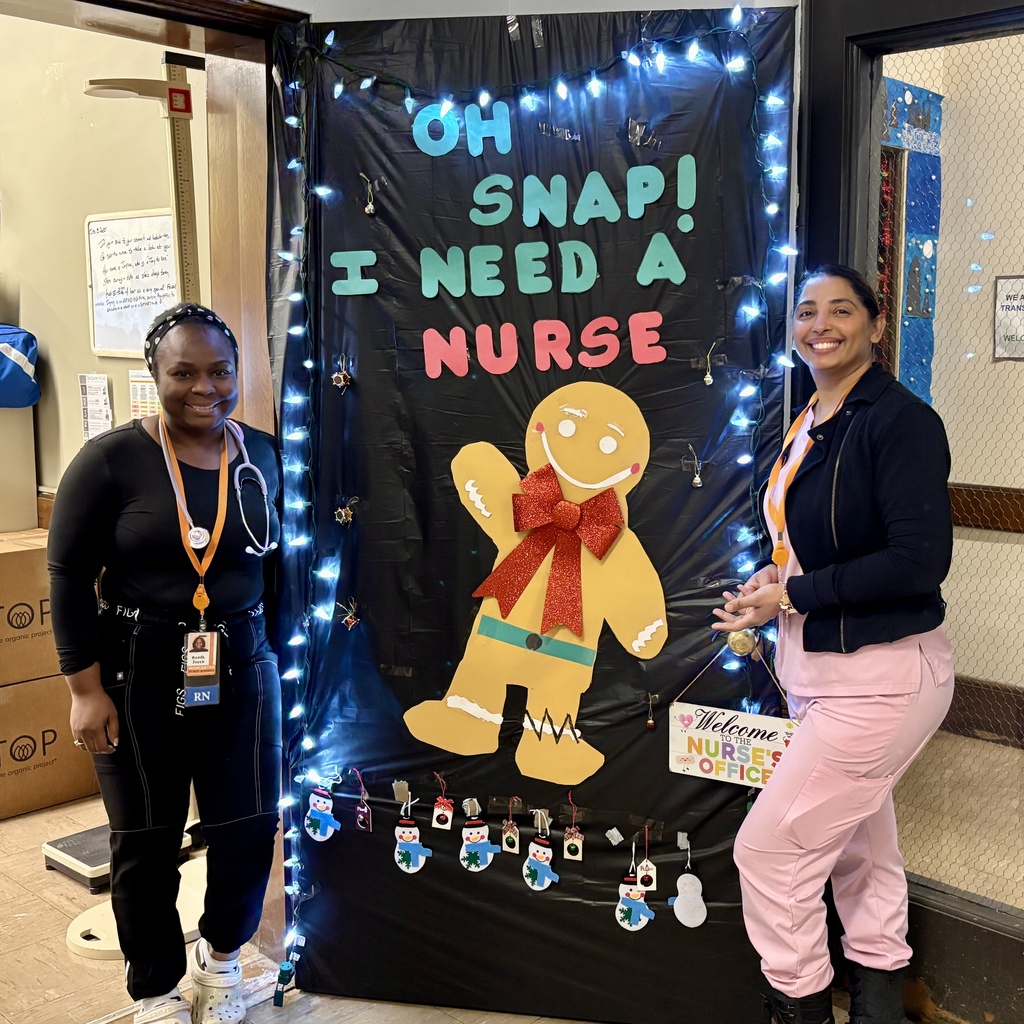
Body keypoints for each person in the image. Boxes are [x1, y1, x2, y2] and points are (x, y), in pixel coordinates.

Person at [712, 266, 954, 1024]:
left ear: (877, 326)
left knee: (771, 853)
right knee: (859, 851)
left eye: (841, 309)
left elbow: (919, 560)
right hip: (817, 672)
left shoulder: (900, 420)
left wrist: (793, 594)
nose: (820, 323)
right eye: (807, 311)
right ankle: (882, 1005)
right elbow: (810, 544)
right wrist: (771, 581)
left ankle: (801, 1006)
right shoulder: (813, 415)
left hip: (881, 677)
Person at [48, 304, 283, 1024]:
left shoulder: (264, 456)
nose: (203, 388)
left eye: (220, 371)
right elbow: (65, 573)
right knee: (145, 839)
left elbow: (284, 570)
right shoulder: (111, 460)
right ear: (155, 375)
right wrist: (84, 688)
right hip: (135, 671)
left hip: (243, 667)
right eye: (183, 372)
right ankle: (154, 987)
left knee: (246, 826)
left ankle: (223, 963)